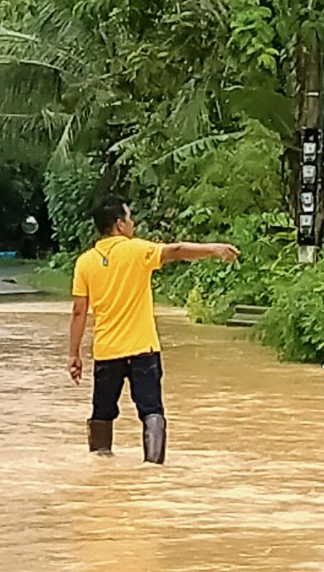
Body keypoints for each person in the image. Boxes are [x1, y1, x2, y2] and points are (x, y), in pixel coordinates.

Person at [69, 195, 239, 463]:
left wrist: (74, 354)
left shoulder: (85, 262)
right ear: (119, 224)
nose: (132, 223)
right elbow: (176, 250)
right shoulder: (137, 250)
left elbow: (79, 310)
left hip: (106, 353)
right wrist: (214, 249)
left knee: (102, 413)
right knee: (151, 411)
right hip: (142, 350)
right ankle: (153, 469)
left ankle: (100, 468)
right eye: (129, 217)